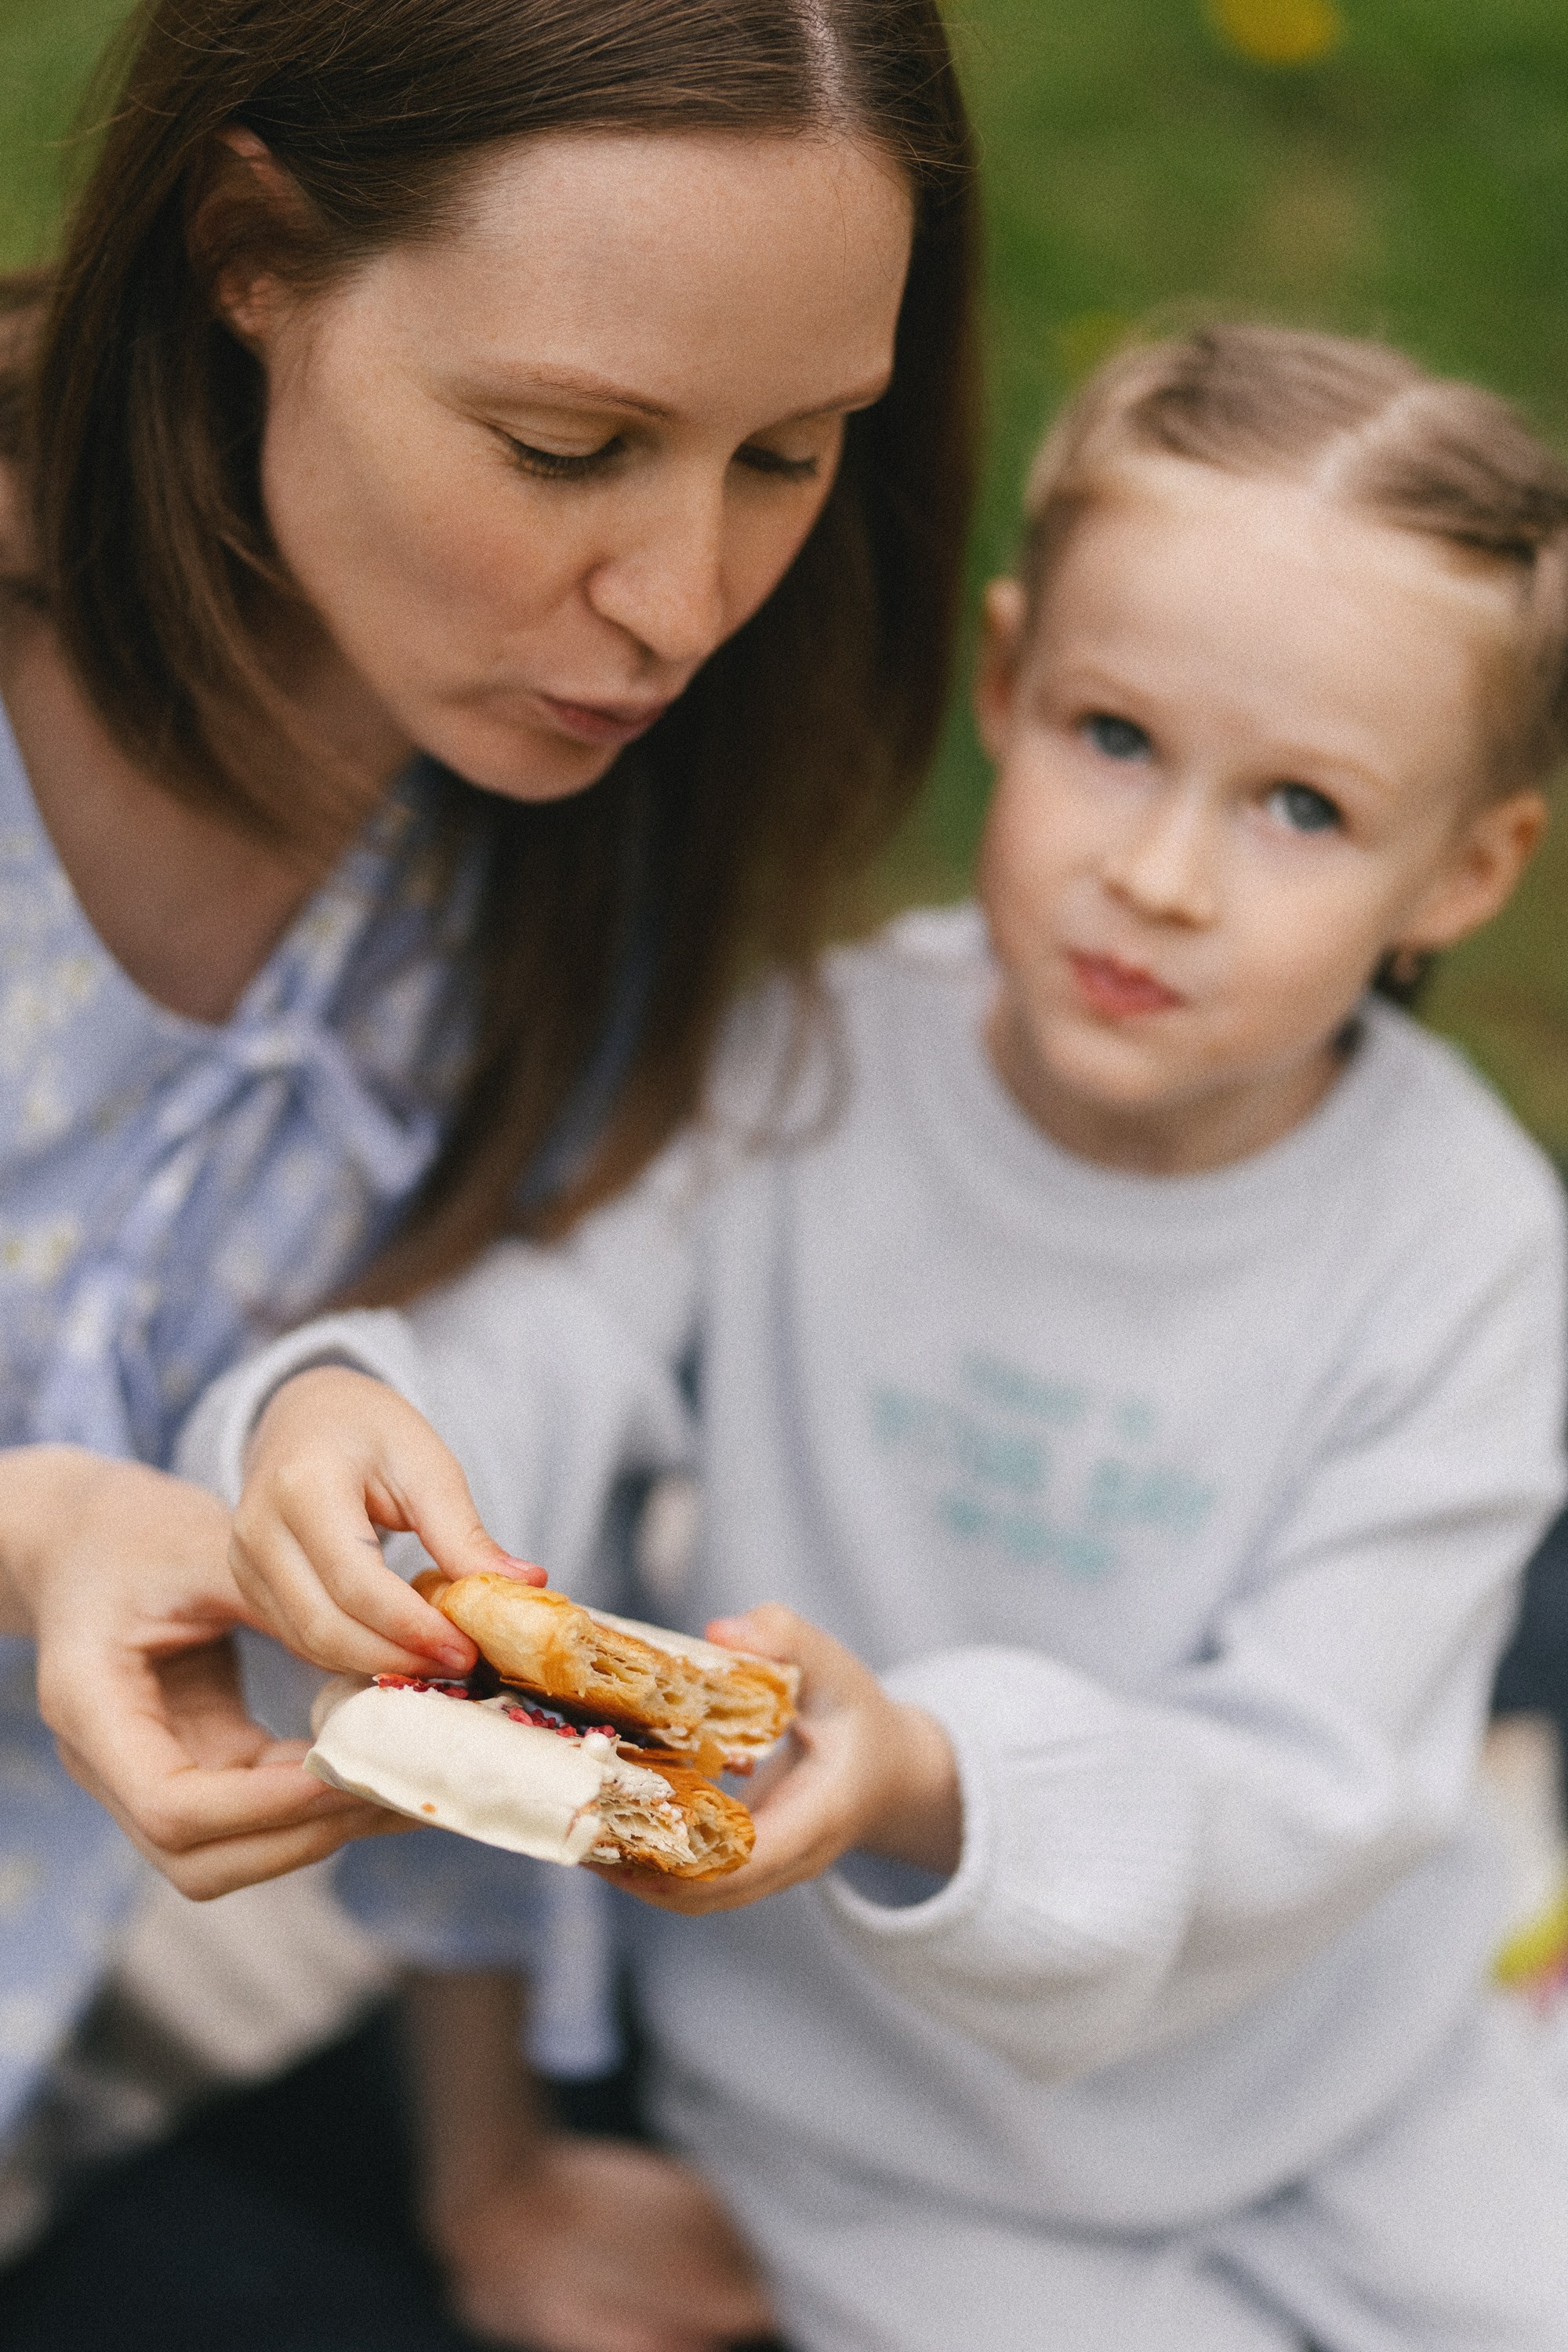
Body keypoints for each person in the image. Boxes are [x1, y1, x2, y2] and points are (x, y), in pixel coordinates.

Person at [199, 325, 1568, 2351]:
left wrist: (932, 1769)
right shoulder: (809, 1068)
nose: (1162, 874)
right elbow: (557, 1321)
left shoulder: (1470, 1248)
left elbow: (1320, 1781)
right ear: (1007, 682)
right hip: (868, 2118)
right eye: (1115, 736)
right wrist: (343, 1403)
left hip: (1344, 2065)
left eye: (1298, 806)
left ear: (1464, 868)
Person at [0, 0, 978, 2337]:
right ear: (248, 249)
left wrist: (490, 2173)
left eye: (792, 454)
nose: (683, 606)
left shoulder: (572, 865)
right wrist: (33, 1525)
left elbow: (469, 1566)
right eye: (567, 446)